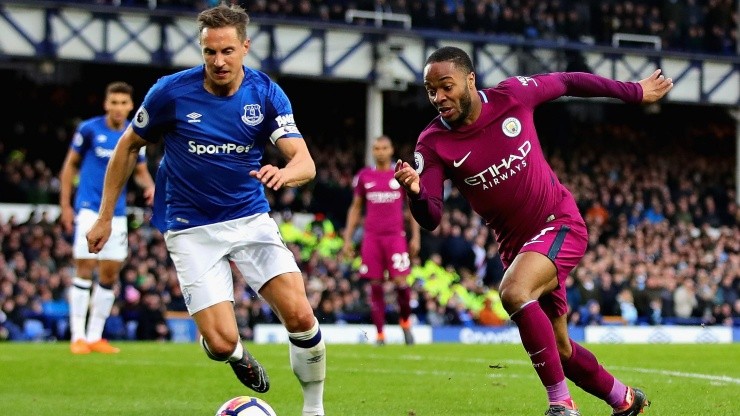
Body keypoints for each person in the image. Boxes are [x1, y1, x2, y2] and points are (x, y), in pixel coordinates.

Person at [394, 46, 673, 416]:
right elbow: (430, 216)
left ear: (470, 79)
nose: (439, 97)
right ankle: (624, 399)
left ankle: (561, 405)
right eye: (431, 91)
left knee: (513, 291)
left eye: (446, 86)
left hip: (559, 223)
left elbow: (569, 81)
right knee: (560, 350)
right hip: (518, 250)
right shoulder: (432, 142)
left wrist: (634, 91)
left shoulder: (514, 95)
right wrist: (415, 192)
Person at [85, 5, 326, 416]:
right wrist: (105, 216)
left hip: (249, 218)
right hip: (189, 226)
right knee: (220, 343)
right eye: (209, 52)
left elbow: (305, 162)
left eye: (227, 51)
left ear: (245, 47)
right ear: (201, 49)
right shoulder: (171, 93)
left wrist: (285, 174)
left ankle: (313, 409)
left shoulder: (266, 93)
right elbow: (127, 146)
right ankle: (234, 355)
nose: (218, 61)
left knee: (301, 315)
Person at [59, 81, 154, 355]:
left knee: (110, 273)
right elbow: (70, 167)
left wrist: (150, 186)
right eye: (114, 102)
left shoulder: (135, 135)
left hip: (118, 212)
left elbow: (139, 171)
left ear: (130, 106)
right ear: (106, 104)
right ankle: (77, 336)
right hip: (89, 207)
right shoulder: (89, 129)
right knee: (85, 266)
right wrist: (66, 205)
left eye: (124, 103)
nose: (118, 108)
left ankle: (94, 337)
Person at [341, 135, 421, 346]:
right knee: (375, 284)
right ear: (372, 151)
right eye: (376, 148)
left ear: (391, 149)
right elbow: (355, 208)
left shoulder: (401, 174)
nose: (380, 151)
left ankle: (405, 322)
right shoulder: (364, 176)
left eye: (384, 147)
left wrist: (416, 236)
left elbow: (412, 207)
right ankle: (380, 335)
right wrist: (348, 239)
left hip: (396, 237)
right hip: (372, 238)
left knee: (401, 283)